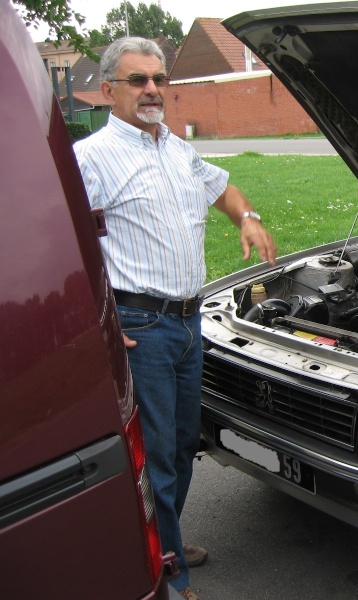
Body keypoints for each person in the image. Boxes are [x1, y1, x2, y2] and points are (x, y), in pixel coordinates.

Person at [73, 37, 277, 600]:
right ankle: (168, 575)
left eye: (159, 80)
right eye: (138, 81)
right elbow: (62, 243)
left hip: (189, 324)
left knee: (185, 444)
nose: (152, 91)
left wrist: (249, 217)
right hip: (142, 328)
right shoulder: (89, 159)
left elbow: (223, 188)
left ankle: (164, 534)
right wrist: (100, 324)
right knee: (159, 454)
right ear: (109, 88)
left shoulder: (175, 149)